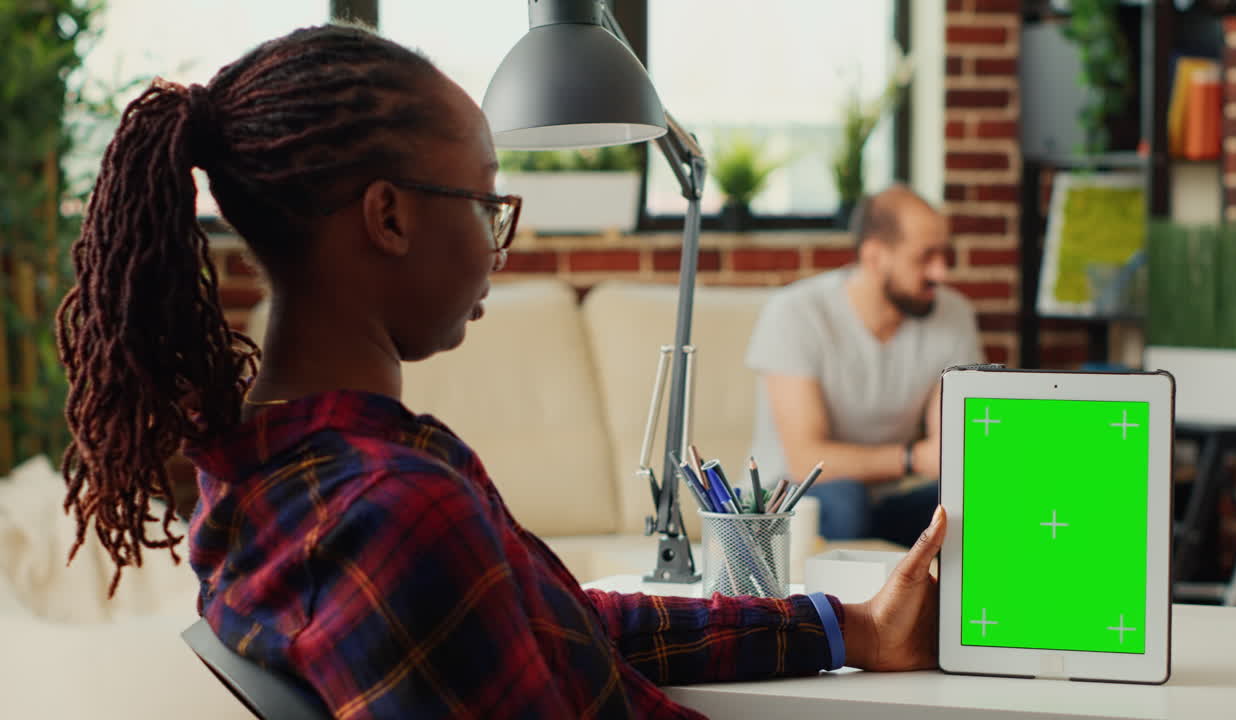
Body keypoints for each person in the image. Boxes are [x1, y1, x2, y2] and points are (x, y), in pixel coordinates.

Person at [57, 25, 947, 719]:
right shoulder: (394, 513)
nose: (497, 243)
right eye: (487, 202)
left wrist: (851, 628)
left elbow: (565, 628)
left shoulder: (275, 472)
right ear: (389, 218)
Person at [746, 185, 983, 546]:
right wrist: (913, 459)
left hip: (885, 502)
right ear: (874, 256)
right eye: (925, 257)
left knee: (975, 502)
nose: (941, 272)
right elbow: (805, 459)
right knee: (846, 502)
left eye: (945, 255)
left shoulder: (954, 315)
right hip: (791, 499)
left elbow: (948, 443)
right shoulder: (796, 313)